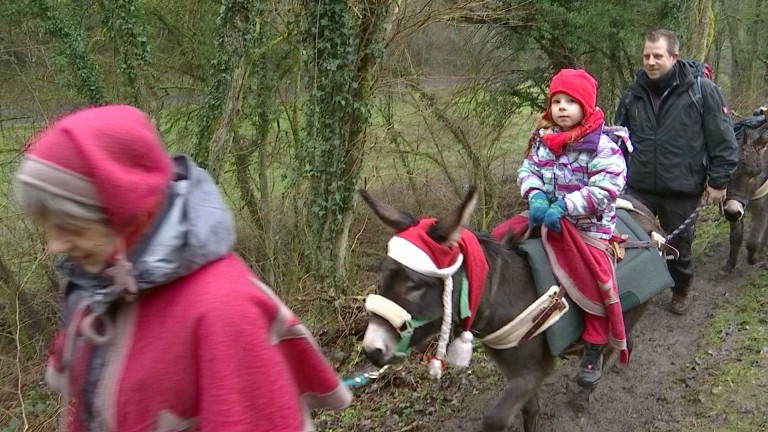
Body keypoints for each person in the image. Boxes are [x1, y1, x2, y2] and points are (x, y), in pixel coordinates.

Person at [13, 105, 352, 431]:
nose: (54, 245)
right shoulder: (97, 287)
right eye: (48, 226)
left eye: (70, 226)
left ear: (130, 212)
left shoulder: (223, 310)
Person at [496, 68, 629, 388]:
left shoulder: (602, 147)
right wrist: (537, 196)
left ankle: (594, 347)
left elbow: (607, 188)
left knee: (595, 279)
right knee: (500, 238)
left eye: (571, 101)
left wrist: (567, 206)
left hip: (589, 226)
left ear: (586, 105)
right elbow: (529, 170)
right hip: (547, 216)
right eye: (557, 101)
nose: (562, 107)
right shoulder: (545, 141)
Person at [615, 29, 739, 315]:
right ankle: (634, 293)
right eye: (646, 55)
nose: (651, 61)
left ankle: (680, 287)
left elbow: (723, 139)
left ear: (674, 56)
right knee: (630, 241)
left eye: (657, 56)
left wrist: (719, 182)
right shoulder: (633, 92)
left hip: (682, 187)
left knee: (677, 247)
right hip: (638, 186)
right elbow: (618, 139)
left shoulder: (701, 90)